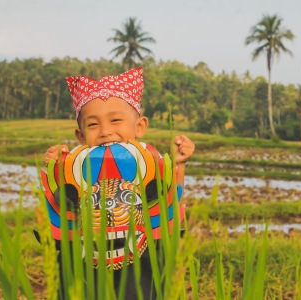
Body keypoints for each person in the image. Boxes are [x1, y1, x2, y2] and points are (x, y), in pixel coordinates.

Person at [42, 67, 195, 299]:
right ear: (81, 136)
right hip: (86, 266)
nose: (105, 131)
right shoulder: (75, 167)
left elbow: (169, 206)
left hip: (140, 269)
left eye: (115, 120)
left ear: (140, 126)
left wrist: (179, 164)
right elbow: (61, 211)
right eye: (93, 125)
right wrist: (55, 167)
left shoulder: (149, 164)